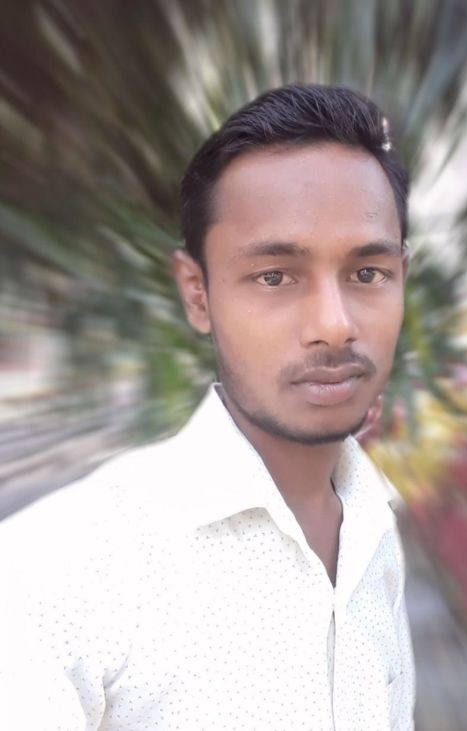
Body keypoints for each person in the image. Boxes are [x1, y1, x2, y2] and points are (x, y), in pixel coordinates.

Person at [0, 83, 416, 730]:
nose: (334, 325)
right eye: (274, 276)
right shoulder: (58, 572)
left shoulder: (374, 532)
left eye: (367, 273)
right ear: (198, 294)